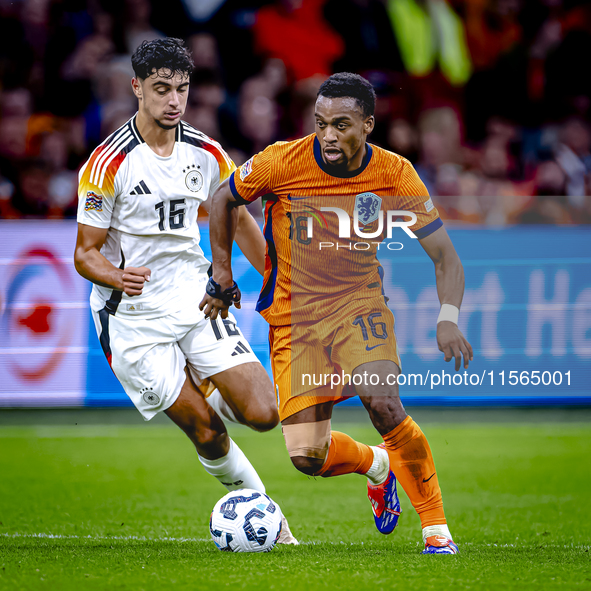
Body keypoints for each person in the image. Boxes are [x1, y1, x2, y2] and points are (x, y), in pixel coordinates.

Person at [202, 72, 473, 554]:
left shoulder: (394, 174)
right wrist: (221, 277)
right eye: (321, 123)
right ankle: (378, 465)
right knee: (307, 456)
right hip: (293, 320)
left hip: (358, 305)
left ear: (367, 125)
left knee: (384, 404)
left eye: (341, 124)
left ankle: (436, 531)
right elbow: (223, 198)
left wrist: (448, 316)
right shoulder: (282, 160)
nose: (327, 135)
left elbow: (445, 257)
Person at [73, 38, 297, 544]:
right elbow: (84, 254)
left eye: (181, 89)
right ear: (137, 88)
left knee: (264, 414)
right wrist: (115, 275)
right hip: (132, 317)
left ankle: (206, 382)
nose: (174, 100)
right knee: (208, 432)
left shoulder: (207, 152)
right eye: (161, 89)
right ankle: (272, 522)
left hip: (197, 297)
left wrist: (275, 283)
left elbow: (237, 217)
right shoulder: (107, 165)